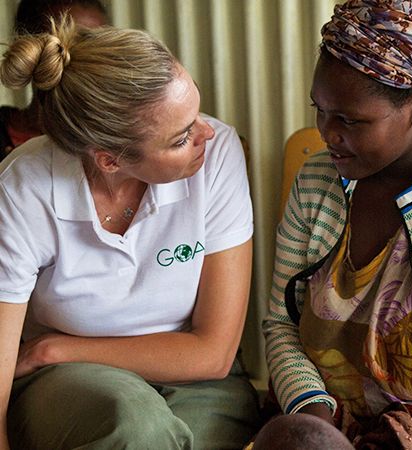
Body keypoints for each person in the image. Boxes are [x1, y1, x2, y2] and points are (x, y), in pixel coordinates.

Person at [0, 15, 260, 450]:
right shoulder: (22, 188)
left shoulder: (216, 156)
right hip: (65, 384)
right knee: (136, 428)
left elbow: (213, 353)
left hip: (194, 376)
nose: (206, 133)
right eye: (180, 138)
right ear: (110, 160)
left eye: (196, 113)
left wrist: (55, 349)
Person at [262, 0, 412, 448]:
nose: (327, 133)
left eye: (349, 120)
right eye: (320, 111)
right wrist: (313, 416)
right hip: (315, 420)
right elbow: (280, 324)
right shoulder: (317, 182)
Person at [0, 0, 108, 159]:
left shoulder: (115, 140)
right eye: (61, 45)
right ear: (26, 49)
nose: (84, 57)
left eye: (96, 46)